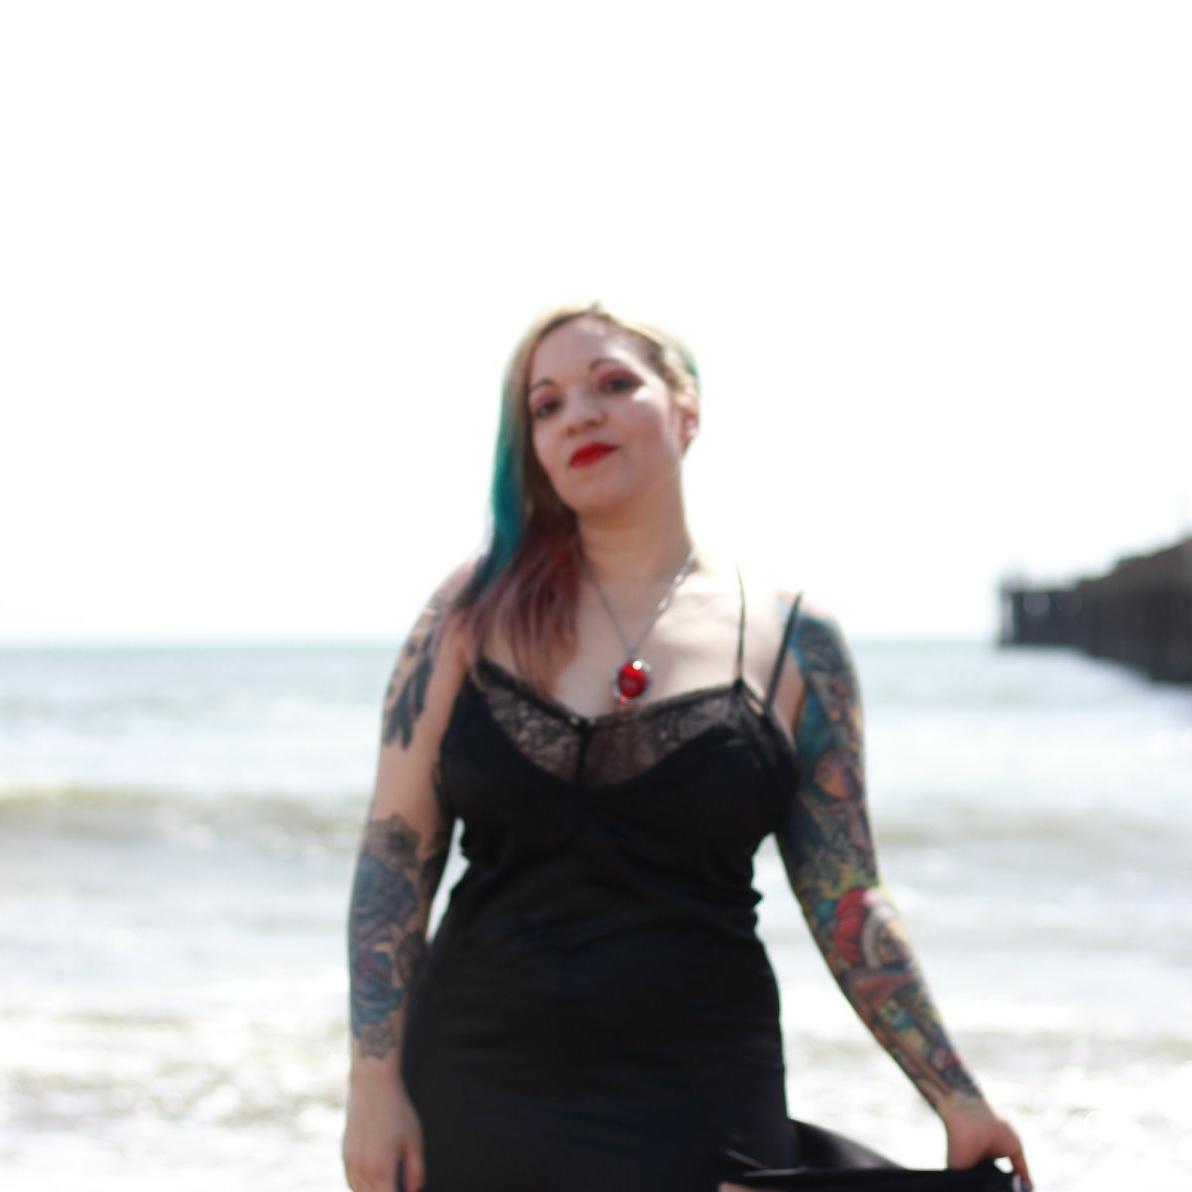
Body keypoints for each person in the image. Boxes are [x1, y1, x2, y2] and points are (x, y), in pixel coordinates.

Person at [340, 303, 1032, 1192]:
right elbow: (395, 857)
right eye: (546, 405)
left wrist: (957, 1097)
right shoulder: (469, 614)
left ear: (687, 408)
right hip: (479, 1085)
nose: (579, 415)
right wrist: (372, 1086)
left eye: (613, 384)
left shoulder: (794, 641)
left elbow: (846, 895)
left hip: (704, 1092)